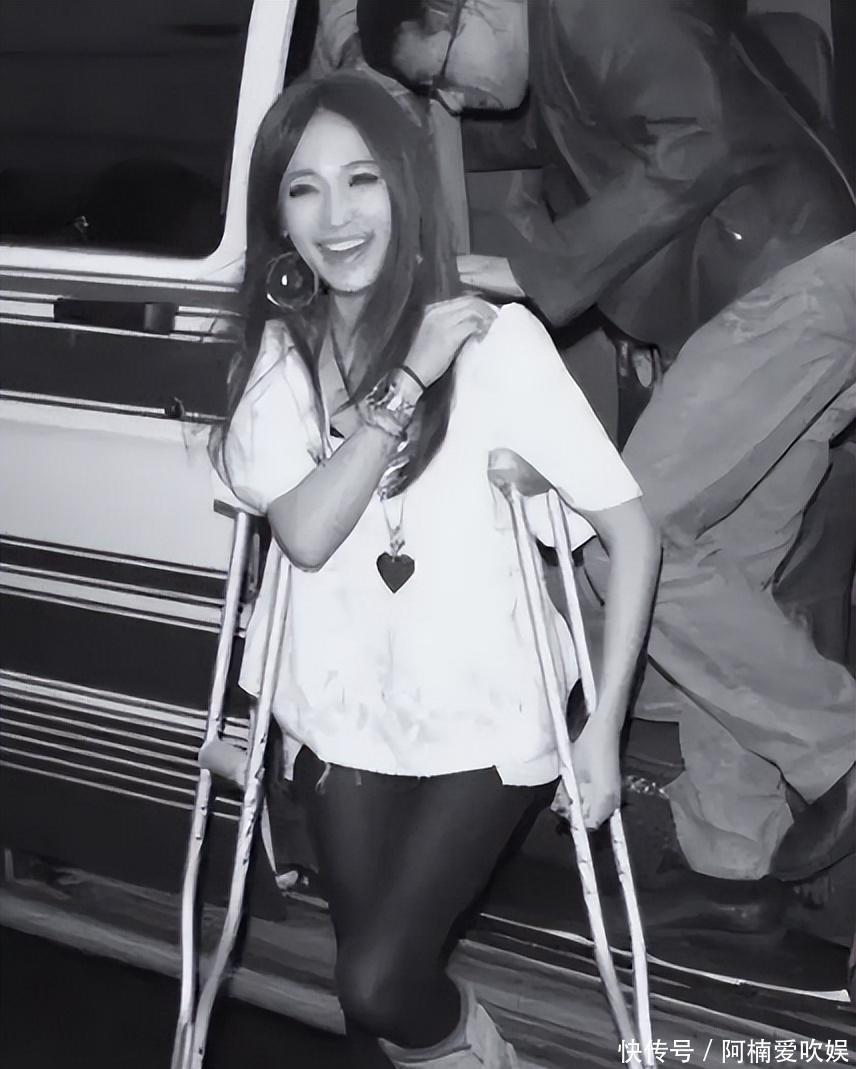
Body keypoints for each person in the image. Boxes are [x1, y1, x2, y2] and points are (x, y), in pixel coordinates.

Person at [212, 70, 659, 1069]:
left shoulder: (500, 345)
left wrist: (602, 727)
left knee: (375, 980)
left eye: (361, 180)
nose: (336, 216)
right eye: (303, 189)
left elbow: (632, 532)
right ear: (279, 218)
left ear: (405, 189)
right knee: (371, 1001)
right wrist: (409, 376)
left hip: (486, 714)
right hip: (340, 711)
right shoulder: (281, 365)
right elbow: (307, 533)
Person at [361, 0, 856, 899]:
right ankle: (734, 861)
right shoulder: (553, 56)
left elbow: (703, 134)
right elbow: (550, 143)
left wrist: (535, 269)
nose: (455, 101)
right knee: (716, 570)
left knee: (629, 537)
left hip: (794, 278)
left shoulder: (591, 7)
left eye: (442, 73)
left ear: (475, 7)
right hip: (786, 286)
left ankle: (839, 748)